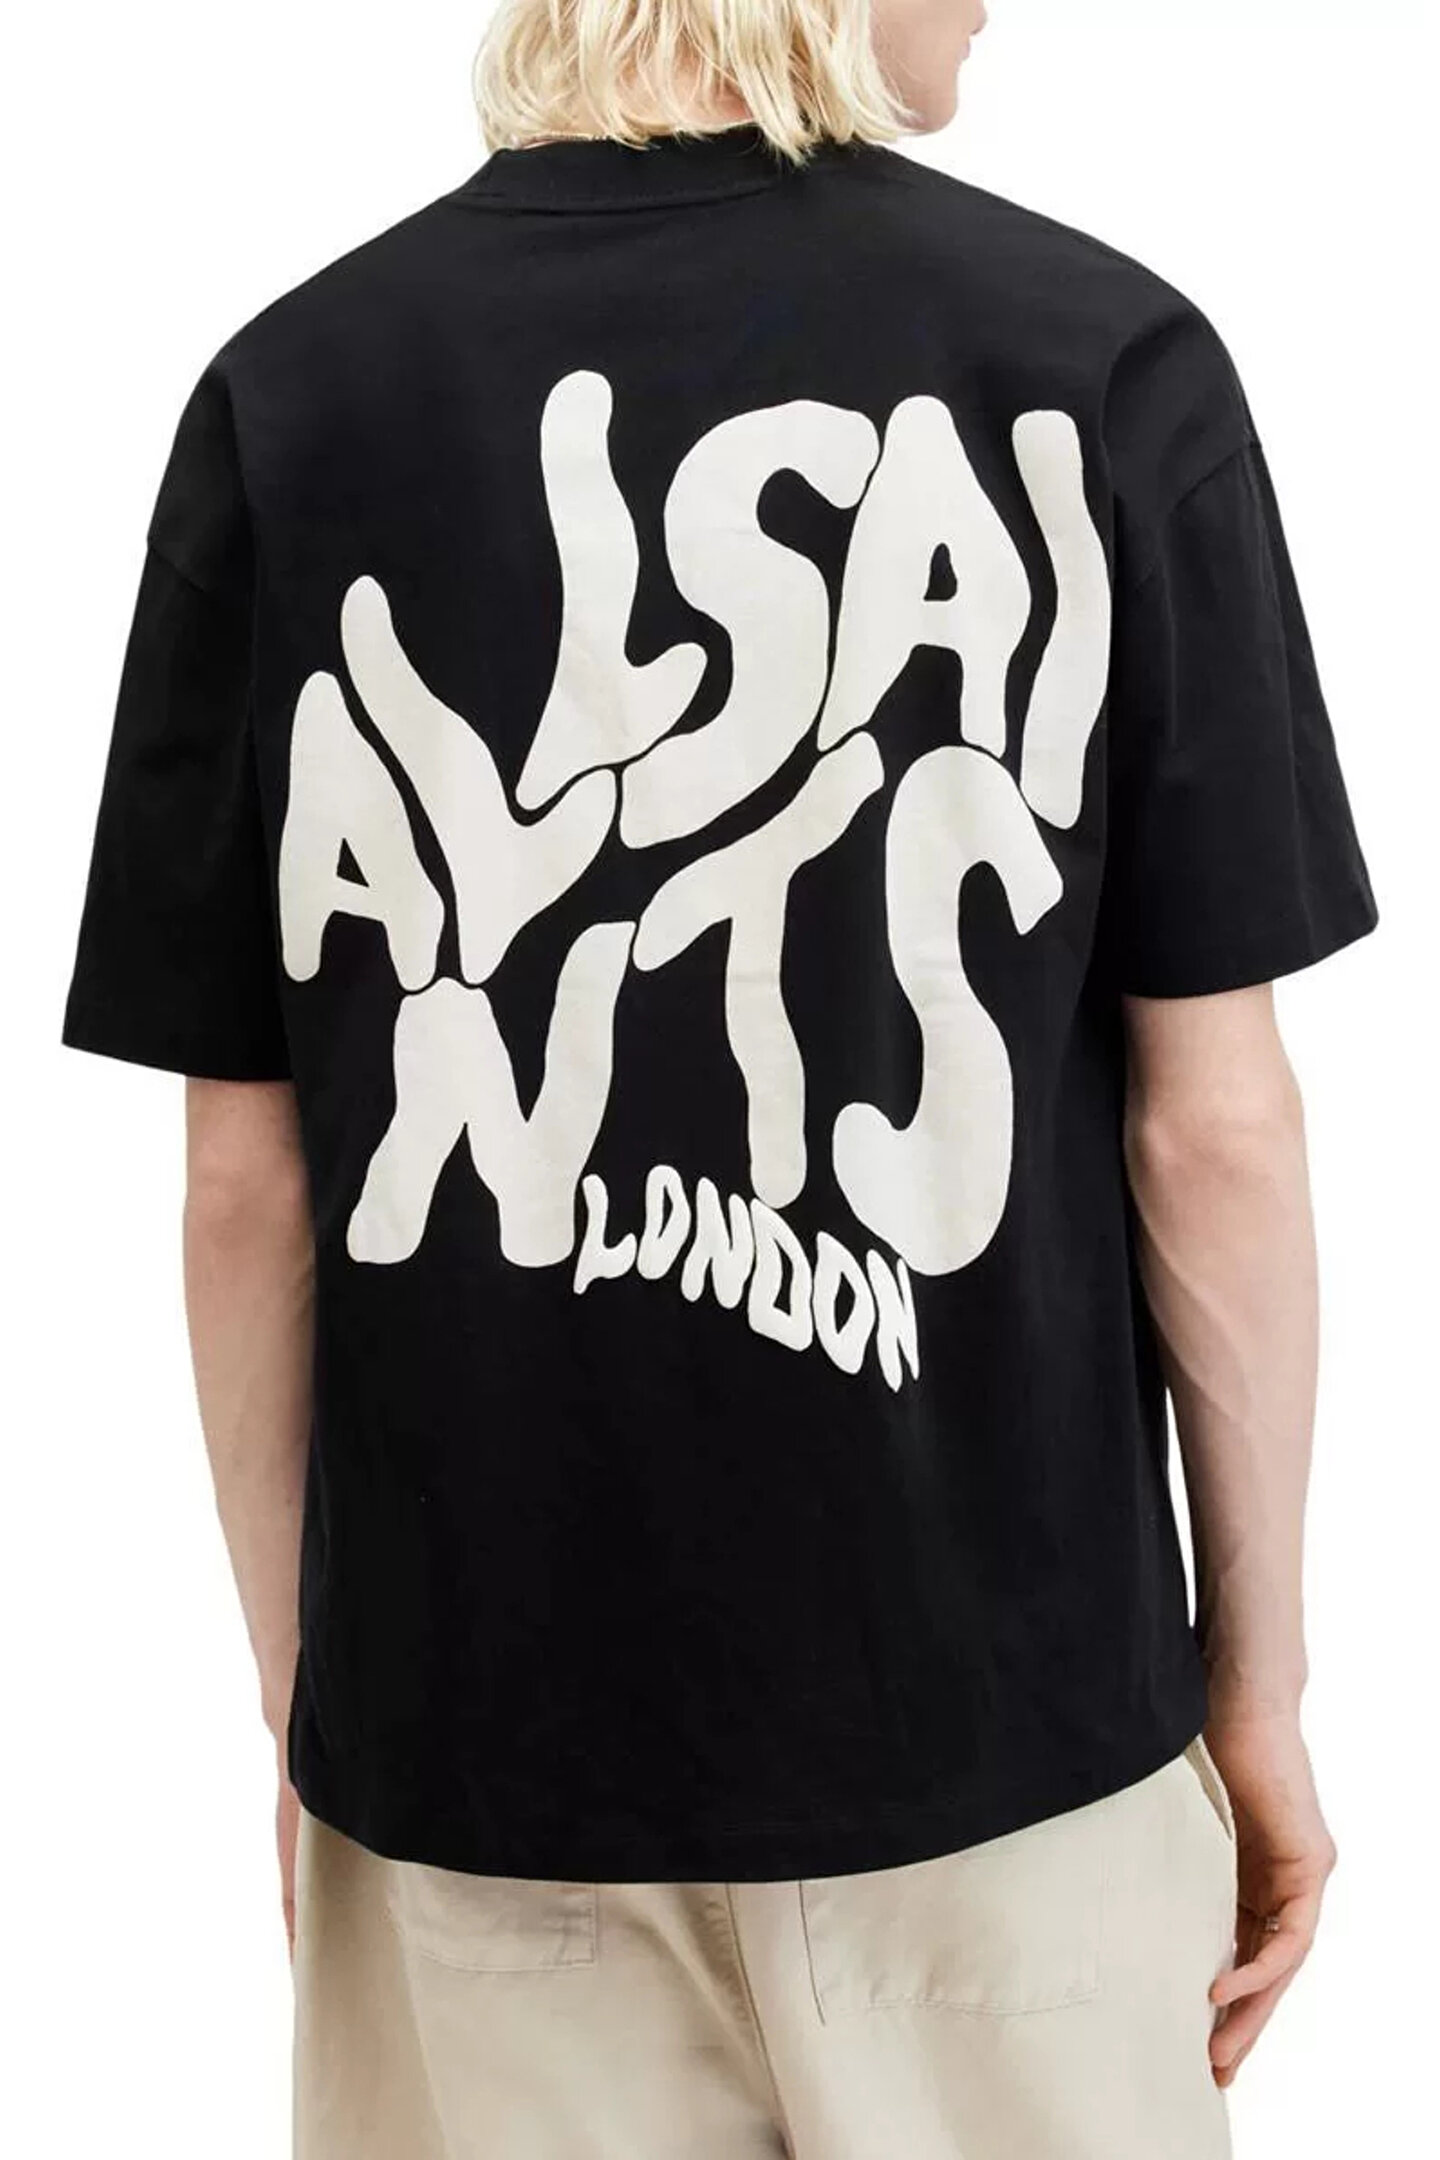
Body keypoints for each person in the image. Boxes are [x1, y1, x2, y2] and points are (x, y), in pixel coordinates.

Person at [59, 0, 1380, 2151]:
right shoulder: (1108, 363)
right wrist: (1264, 1694)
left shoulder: (293, 401)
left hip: (478, 1790)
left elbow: (245, 1185)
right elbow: (1213, 1130)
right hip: (1014, 1778)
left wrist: (320, 1711)